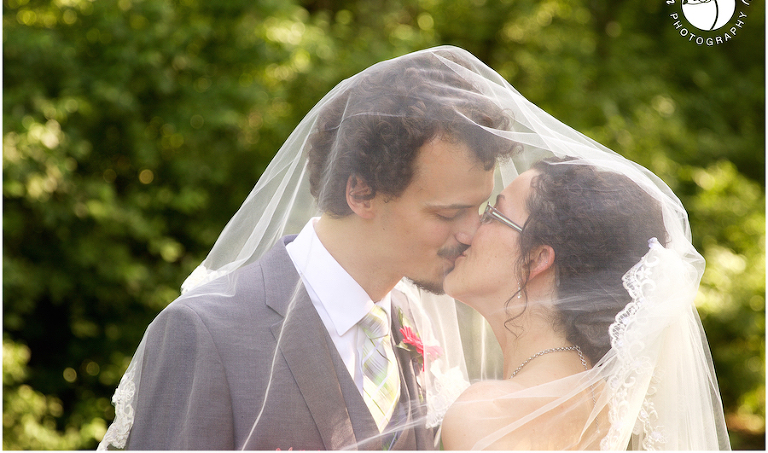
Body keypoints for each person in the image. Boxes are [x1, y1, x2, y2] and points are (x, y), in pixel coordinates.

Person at [98, 47, 517, 450]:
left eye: (479, 208)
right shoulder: (205, 332)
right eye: (448, 213)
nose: (471, 232)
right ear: (361, 193)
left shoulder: (419, 327)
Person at [441, 157, 731, 450]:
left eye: (493, 213)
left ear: (536, 258)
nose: (471, 229)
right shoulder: (615, 412)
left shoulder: (488, 414)